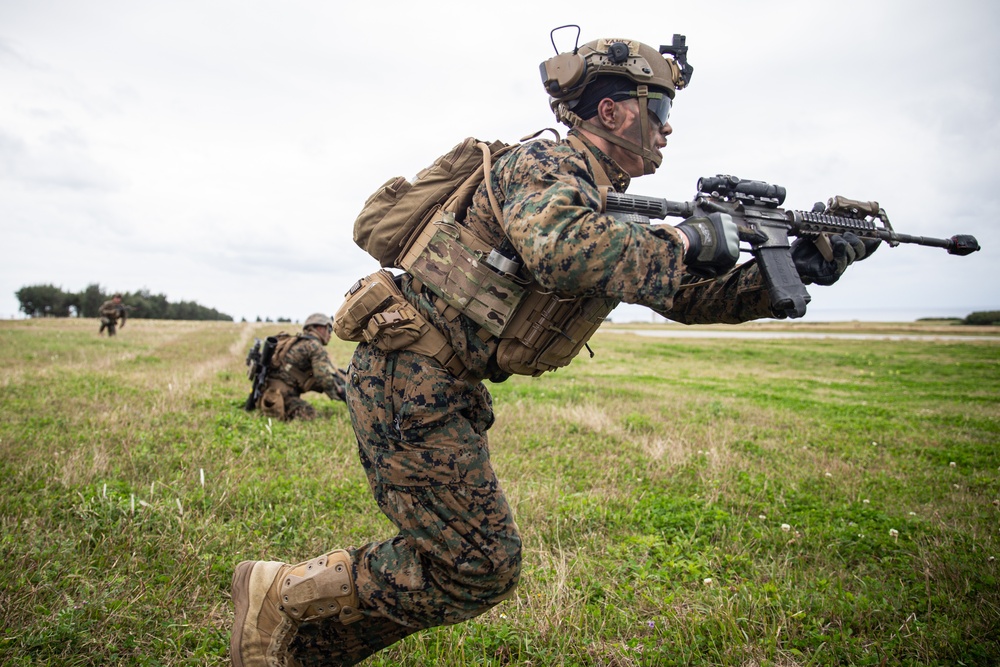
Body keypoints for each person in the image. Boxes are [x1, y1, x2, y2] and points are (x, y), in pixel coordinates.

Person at [230, 34, 877, 666]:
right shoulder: (542, 167)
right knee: (478, 563)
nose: (667, 128)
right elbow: (563, 250)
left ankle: (299, 649)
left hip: (441, 383)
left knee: (467, 565)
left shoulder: (608, 206)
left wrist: (794, 269)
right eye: (661, 109)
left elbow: (687, 296)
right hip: (409, 372)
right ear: (612, 110)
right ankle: (279, 592)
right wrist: (683, 238)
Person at [256, 313, 349, 422]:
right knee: (309, 414)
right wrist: (339, 393)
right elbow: (323, 377)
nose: (330, 334)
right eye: (329, 329)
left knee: (334, 378)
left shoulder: (299, 341)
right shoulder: (314, 346)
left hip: (266, 393)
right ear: (319, 328)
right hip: (280, 397)